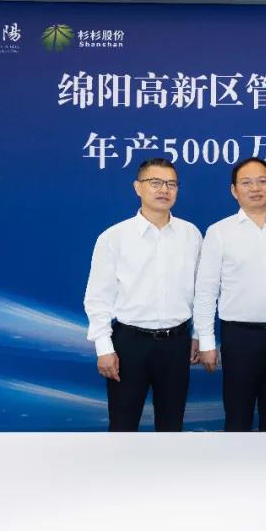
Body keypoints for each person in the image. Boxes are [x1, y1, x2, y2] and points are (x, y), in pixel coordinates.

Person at [83, 157, 202, 432]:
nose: (164, 190)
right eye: (155, 182)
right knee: (123, 426)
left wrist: (198, 334)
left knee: (172, 426)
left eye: (171, 184)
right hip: (129, 345)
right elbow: (97, 298)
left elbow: (200, 292)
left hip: (177, 343)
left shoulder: (191, 234)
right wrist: (104, 348)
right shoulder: (114, 237)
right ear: (138, 187)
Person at [193, 157, 266, 431]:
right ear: (234, 190)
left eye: (262, 181)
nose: (255, 188)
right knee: (238, 417)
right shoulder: (219, 232)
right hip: (239, 338)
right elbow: (205, 291)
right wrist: (206, 340)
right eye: (246, 183)